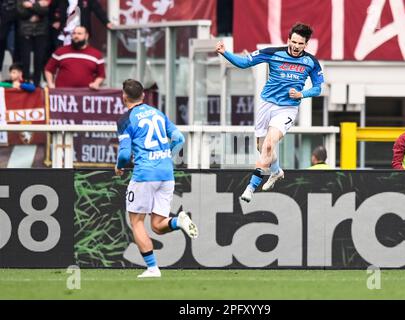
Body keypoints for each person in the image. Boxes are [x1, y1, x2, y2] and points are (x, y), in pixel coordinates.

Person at [216, 23, 324, 202]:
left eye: (300, 44)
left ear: (306, 45)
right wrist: (225, 52)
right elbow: (245, 63)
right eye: (294, 42)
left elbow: (318, 88)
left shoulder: (311, 62)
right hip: (266, 104)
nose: (296, 46)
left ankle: (250, 188)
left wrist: (301, 94)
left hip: (287, 108)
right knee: (262, 148)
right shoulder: (273, 53)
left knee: (268, 144)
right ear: (288, 39)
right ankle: (276, 171)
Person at [115, 79, 198, 278]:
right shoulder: (158, 114)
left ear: (124, 97)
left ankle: (152, 268)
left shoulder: (125, 120)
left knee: (136, 222)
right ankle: (179, 221)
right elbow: (179, 138)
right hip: (166, 174)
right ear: (143, 95)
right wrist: (167, 157)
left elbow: (125, 155)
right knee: (158, 226)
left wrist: (119, 166)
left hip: (145, 175)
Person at [17, 0, 50, 86]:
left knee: (39, 58)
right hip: (25, 31)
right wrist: (38, 7)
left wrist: (31, 6)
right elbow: (21, 12)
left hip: (41, 32)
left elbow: (45, 11)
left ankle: (37, 82)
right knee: (25, 58)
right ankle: (26, 80)